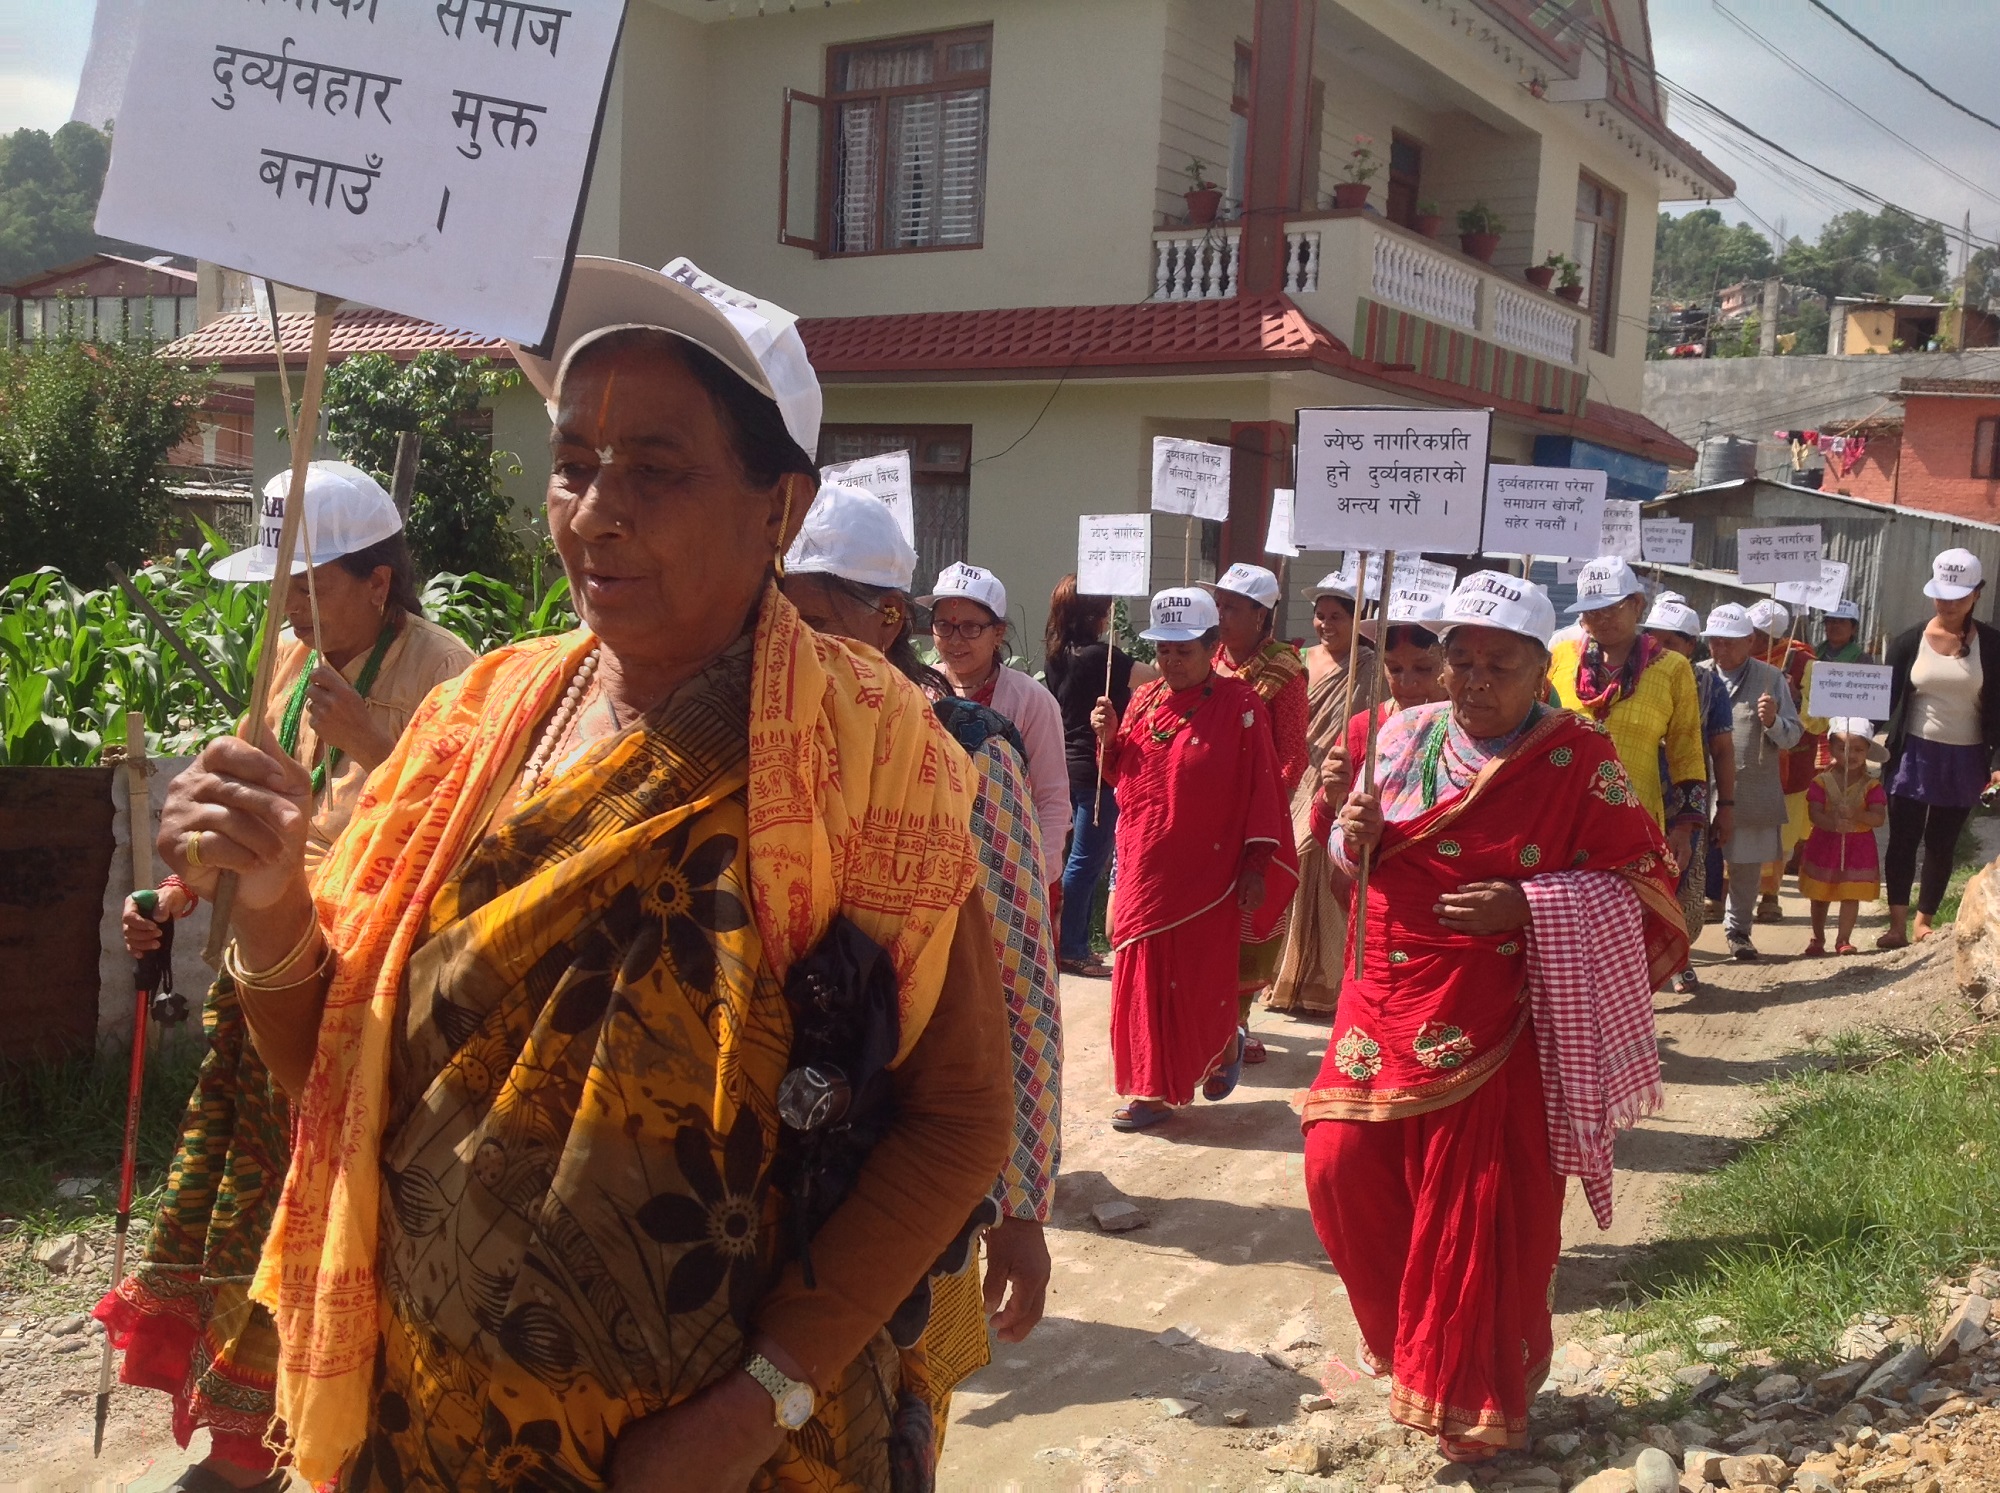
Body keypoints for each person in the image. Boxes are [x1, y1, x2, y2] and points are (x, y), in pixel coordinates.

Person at [148, 256, 1014, 1491]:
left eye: (655, 470)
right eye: (572, 463)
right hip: (420, 1430)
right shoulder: (474, 721)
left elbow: (958, 1117)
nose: (595, 511)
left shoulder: (869, 757)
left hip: (729, 1460)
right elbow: (331, 1067)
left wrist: (749, 1408)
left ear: (780, 506)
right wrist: (278, 896)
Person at [97, 462, 474, 1493]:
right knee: (253, 1211)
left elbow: (491, 841)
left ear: (379, 585)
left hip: (380, 1002)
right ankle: (248, 1431)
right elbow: (249, 813)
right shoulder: (293, 662)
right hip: (268, 980)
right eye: (282, 588)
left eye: (307, 585)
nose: (289, 607)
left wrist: (380, 745)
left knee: (355, 1224)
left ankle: (352, 1421)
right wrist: (175, 894)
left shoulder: (454, 673)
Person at [1303, 571, 1685, 1464]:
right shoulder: (1400, 737)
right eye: (1460, 660)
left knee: (1483, 1204)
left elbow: (1650, 888)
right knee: (1338, 1163)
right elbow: (1345, 875)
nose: (1473, 681)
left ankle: (1474, 1386)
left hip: (1504, 1015)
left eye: (1499, 665)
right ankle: (1417, 1355)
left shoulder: (1577, 757)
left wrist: (1531, 904)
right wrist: (1344, 835)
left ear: (1536, 671)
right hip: (1386, 998)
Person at [780, 483, 1063, 1432]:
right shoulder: (762, 731)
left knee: (905, 1414)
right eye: (776, 615)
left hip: (920, 1153)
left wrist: (1021, 1201)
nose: (791, 641)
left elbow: (1020, 980)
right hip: (772, 1161)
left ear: (887, 619)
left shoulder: (969, 749)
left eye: (815, 619)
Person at [1089, 587, 1297, 1132]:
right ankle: (1151, 1090)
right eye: (1163, 650)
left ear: (1212, 646)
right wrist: (1108, 740)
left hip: (1210, 873)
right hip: (1142, 864)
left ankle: (1219, 1050)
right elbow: (1123, 780)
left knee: (1199, 979)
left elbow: (1262, 791)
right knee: (1140, 973)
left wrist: (1255, 865)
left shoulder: (1242, 706)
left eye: (1184, 650)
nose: (1172, 661)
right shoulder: (1143, 700)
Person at [1546, 558, 1707, 881]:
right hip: (1561, 814)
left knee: (1629, 917)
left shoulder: (1672, 668)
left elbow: (1686, 749)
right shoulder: (1560, 657)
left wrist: (1685, 829)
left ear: (1637, 605)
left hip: (1637, 814)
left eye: (1611, 608)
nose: (1601, 620)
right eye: (1592, 612)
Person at [1207, 561, 1308, 1061]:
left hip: (1255, 818)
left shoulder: (1285, 672)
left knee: (1250, 917)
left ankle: (1237, 1021)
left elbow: (1292, 751)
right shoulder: (1206, 659)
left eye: (1232, 607)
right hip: (1204, 814)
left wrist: (1264, 810)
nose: (1221, 615)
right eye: (1219, 605)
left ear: (1262, 616)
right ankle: (1204, 1017)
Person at [1267, 573, 1378, 1016]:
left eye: (1336, 616)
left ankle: (1324, 980)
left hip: (1342, 777)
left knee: (1327, 865)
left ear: (1357, 620)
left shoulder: (1370, 665)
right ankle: (1282, 975)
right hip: (1298, 776)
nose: (1326, 624)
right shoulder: (1299, 660)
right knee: (1291, 864)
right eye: (1320, 615)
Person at [1879, 548, 2000, 948]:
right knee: (1903, 839)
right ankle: (1896, 923)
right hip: (1913, 755)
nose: (1947, 603)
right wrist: (1853, 733)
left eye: (1958, 596)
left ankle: (1923, 922)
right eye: (1941, 595)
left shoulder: (1994, 647)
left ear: (1977, 594)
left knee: (1942, 842)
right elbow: (1882, 701)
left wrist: (1998, 761)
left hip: (1965, 757)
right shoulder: (1908, 642)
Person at [923, 562, 1071, 886]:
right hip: (930, 868)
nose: (955, 639)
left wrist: (1037, 878)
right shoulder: (919, 692)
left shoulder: (1030, 701)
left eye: (971, 627)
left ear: (998, 633)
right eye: (944, 626)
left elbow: (1051, 799)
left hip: (1009, 872)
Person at [1042, 574, 1156, 976]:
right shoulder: (1099, 657)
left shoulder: (1056, 655)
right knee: (1086, 860)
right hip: (1096, 768)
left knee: (1069, 857)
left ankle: (1067, 940)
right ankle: (1072, 946)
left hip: (1065, 764)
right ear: (1094, 612)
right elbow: (1157, 676)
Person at [1643, 593, 1737, 994]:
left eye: (1670, 643)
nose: (1659, 650)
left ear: (1690, 646)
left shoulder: (1708, 685)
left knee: (1679, 878)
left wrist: (1726, 807)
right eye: (1653, 639)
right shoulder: (1629, 674)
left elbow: (1721, 748)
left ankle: (1679, 961)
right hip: (1633, 788)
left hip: (1685, 795)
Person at [1700, 603, 1802, 961]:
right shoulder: (1695, 674)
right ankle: (1681, 936)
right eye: (1714, 641)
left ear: (1750, 641)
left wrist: (1773, 720)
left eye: (1728, 642)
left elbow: (1793, 737)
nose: (1719, 649)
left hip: (1751, 788)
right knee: (1690, 865)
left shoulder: (1771, 679)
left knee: (1745, 867)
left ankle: (1739, 932)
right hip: (1698, 787)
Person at [1747, 598, 1822, 922]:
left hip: (1792, 761)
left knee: (1781, 834)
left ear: (1774, 638)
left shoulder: (1805, 663)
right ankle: (1724, 896)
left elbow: (1816, 718)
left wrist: (1784, 724)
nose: (1749, 640)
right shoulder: (1738, 657)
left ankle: (1770, 894)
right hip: (1744, 756)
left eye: (1756, 634)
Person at [1799, 718, 1888, 957]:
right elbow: (1814, 812)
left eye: (1859, 749)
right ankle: (1817, 936)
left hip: (1858, 847)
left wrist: (1858, 814)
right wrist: (1833, 824)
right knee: (1820, 894)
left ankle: (1843, 938)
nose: (1851, 755)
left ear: (1868, 751)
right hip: (1825, 844)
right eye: (1844, 748)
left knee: (1850, 893)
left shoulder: (1872, 786)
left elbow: (1879, 818)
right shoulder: (1821, 782)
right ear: (1831, 749)